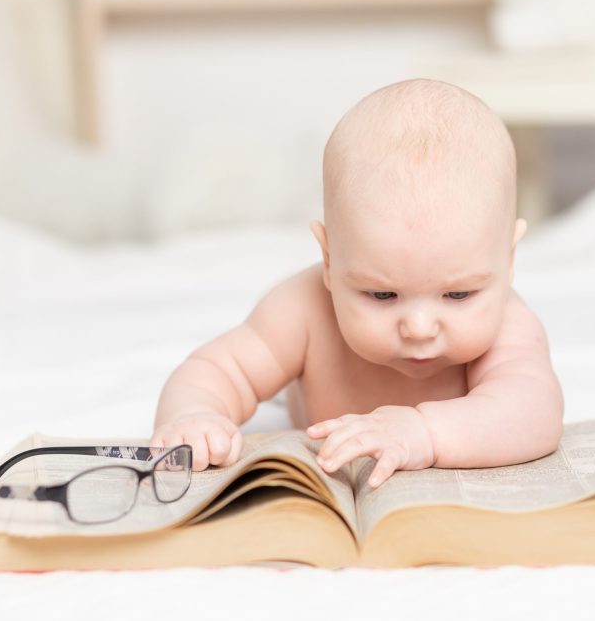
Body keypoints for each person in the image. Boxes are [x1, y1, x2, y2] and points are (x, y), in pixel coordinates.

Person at [151, 79, 563, 488]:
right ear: (330, 260)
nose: (419, 328)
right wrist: (193, 416)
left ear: (508, 259)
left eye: (458, 294)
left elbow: (532, 413)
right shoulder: (303, 308)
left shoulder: (508, 324)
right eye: (382, 294)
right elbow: (217, 370)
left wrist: (425, 432)